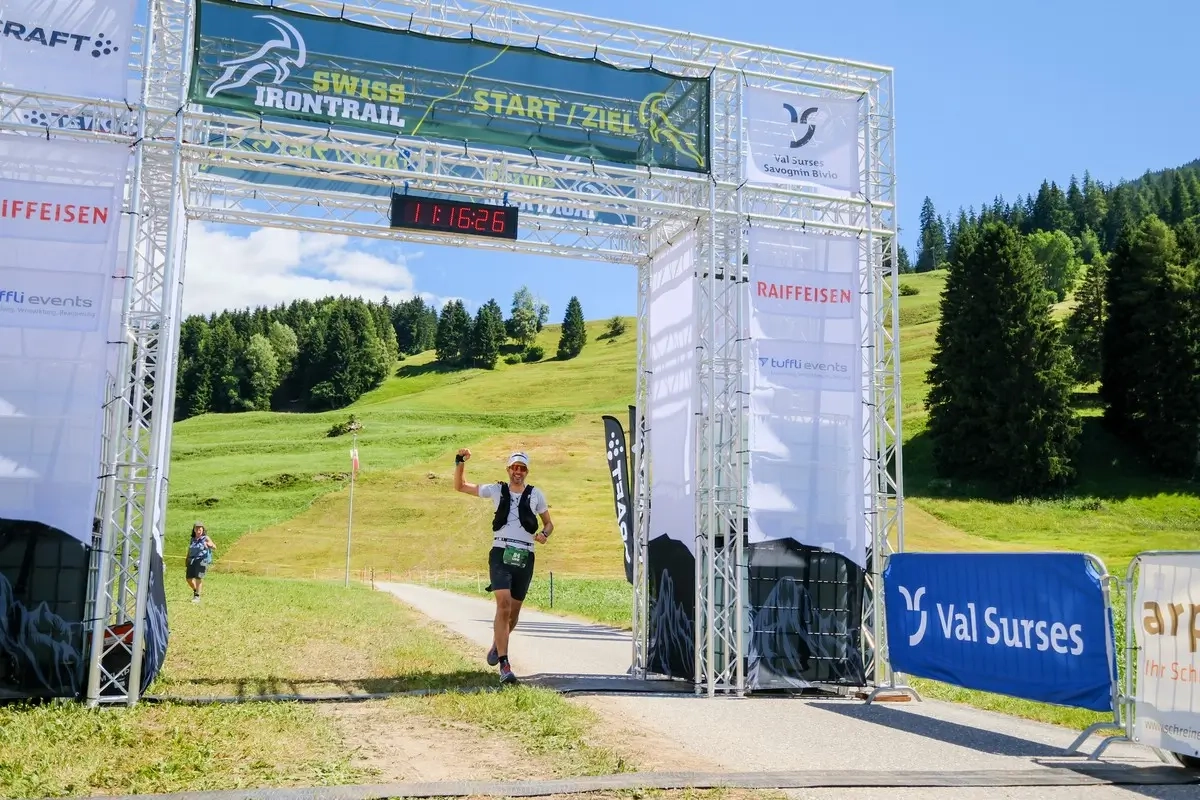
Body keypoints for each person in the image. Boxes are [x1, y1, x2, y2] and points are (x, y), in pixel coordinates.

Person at [454, 448, 554, 685]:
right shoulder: (497, 490)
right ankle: (505, 664)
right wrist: (459, 462)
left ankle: (497, 644)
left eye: (522, 468)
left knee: (514, 613)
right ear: (508, 469)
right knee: (504, 605)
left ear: (527, 471)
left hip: (525, 555)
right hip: (501, 552)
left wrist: (544, 535)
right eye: (514, 467)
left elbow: (549, 524)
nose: (518, 471)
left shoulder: (536, 495)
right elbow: (461, 486)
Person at [186, 522, 215, 603]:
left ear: (203, 530)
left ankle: (197, 596)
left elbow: (214, 546)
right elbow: (189, 550)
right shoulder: (192, 539)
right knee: (188, 578)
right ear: (194, 530)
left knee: (198, 577)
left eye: (200, 528)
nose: (198, 530)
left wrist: (209, 544)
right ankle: (196, 590)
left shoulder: (206, 538)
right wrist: (187, 559)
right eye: (197, 528)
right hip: (192, 560)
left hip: (202, 560)